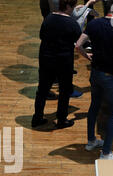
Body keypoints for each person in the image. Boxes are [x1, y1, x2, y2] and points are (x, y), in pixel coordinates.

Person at [76, 0, 113, 160]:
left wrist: (88, 56)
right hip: (111, 75)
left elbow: (78, 45)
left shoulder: (94, 24)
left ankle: (91, 141)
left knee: (95, 105)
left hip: (96, 73)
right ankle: (106, 153)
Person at [32, 0, 82, 129]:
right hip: (63, 61)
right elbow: (79, 43)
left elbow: (41, 35)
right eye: (73, 7)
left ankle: (37, 118)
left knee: (42, 90)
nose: (73, 10)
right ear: (67, 6)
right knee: (65, 91)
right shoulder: (72, 23)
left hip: (46, 59)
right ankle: (61, 120)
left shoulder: (48, 19)